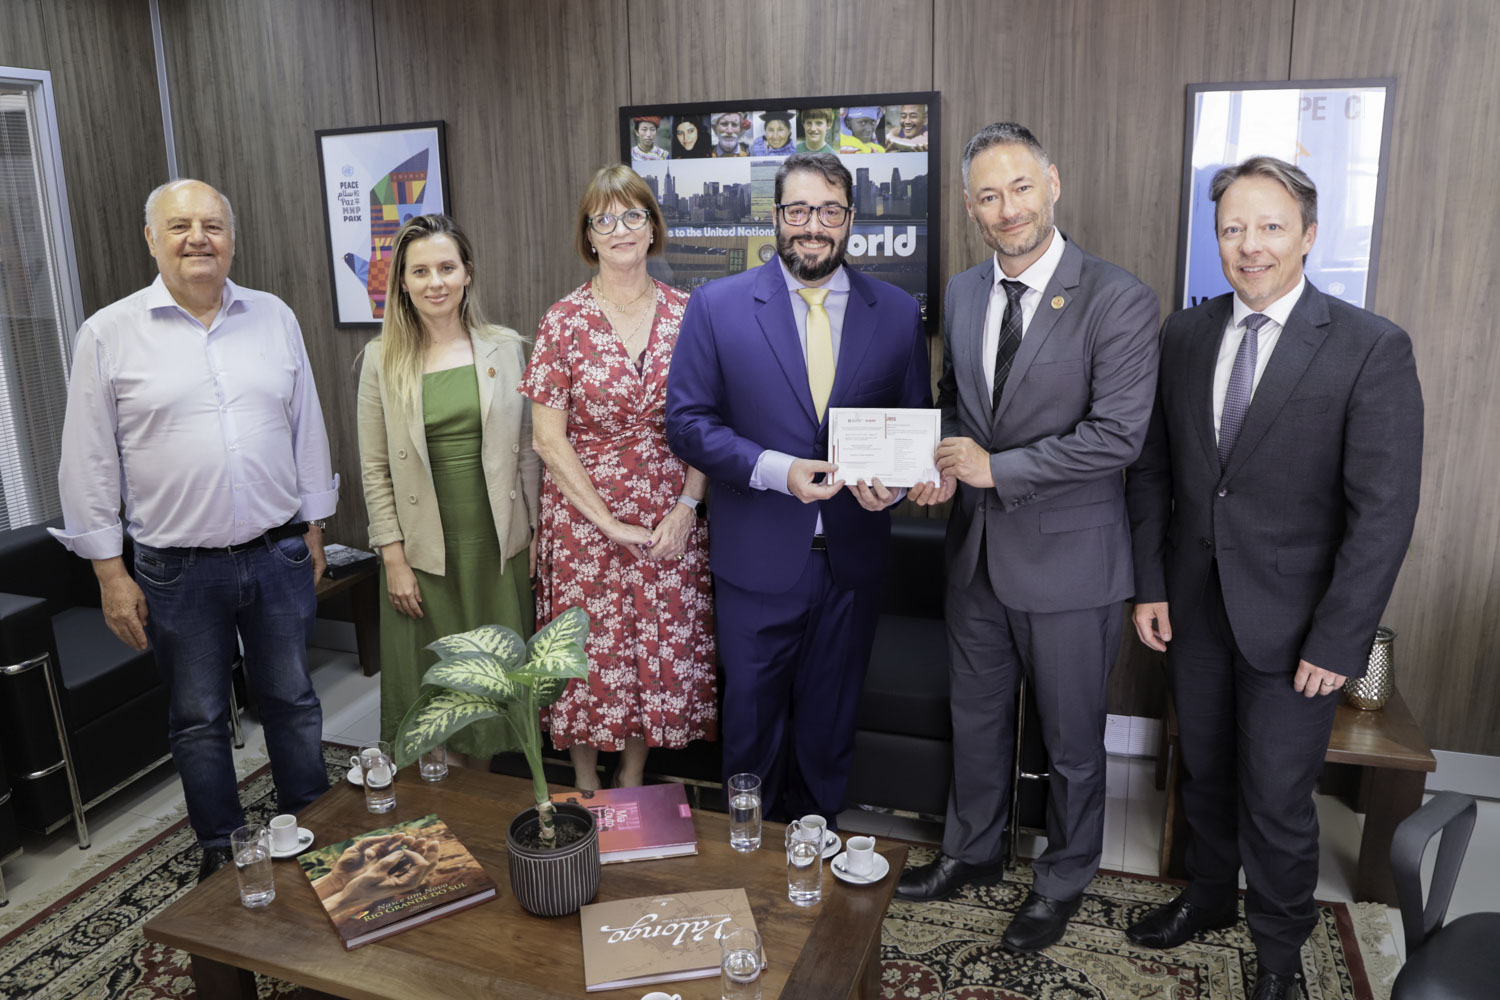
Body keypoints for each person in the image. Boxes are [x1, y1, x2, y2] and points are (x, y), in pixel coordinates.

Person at [1123, 156, 1422, 1000]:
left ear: (1308, 236)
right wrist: (1151, 584)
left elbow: (1383, 517)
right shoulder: (1183, 334)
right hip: (1194, 611)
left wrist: (1340, 639)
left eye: (1269, 227)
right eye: (1232, 228)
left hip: (1298, 630)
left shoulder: (1371, 347)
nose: (1249, 245)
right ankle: (1210, 899)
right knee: (1207, 773)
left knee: (1279, 797)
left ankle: (1281, 951)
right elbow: (1151, 475)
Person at [896, 123, 1160, 957]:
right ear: (971, 207)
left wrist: (993, 467)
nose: (1006, 209)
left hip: (1072, 563)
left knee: (1075, 740)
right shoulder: (965, 290)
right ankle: (971, 854)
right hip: (974, 556)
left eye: (1019, 188)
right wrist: (935, 461)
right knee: (975, 721)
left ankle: (1062, 879)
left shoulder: (1116, 297)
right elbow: (955, 404)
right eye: (987, 195)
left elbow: (1117, 436)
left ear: (1053, 182)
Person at [53, 178, 337, 881]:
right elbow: (86, 462)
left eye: (211, 224)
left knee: (294, 701)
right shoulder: (108, 334)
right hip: (175, 570)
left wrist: (315, 530)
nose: (197, 238)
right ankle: (223, 847)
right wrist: (108, 573)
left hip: (277, 552)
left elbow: (307, 429)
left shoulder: (274, 317)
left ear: (232, 237)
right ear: (151, 239)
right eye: (179, 226)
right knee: (199, 718)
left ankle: (315, 823)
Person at [665, 152, 931, 824]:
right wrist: (776, 471)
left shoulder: (896, 313)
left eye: (830, 211)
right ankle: (750, 857)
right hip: (756, 564)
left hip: (851, 565)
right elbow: (688, 425)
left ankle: (816, 854)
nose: (813, 226)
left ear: (851, 220)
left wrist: (893, 490)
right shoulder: (717, 307)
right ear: (776, 216)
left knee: (829, 727)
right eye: (798, 211)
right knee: (751, 727)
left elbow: (910, 426)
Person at [521, 164, 715, 791]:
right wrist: (605, 521)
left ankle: (632, 779)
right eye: (605, 218)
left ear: (652, 226)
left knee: (649, 651)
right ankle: (583, 784)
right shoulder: (562, 321)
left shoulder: (693, 314)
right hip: (583, 520)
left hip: (668, 514)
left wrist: (687, 505)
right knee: (588, 655)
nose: (621, 228)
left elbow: (707, 421)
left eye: (634, 214)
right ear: (589, 234)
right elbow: (547, 439)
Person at [357, 214, 539, 768]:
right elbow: (375, 467)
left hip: (497, 542)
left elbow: (530, 450)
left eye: (446, 267)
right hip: (423, 550)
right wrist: (392, 558)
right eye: (420, 271)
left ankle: (483, 793)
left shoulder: (506, 348)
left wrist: (535, 538)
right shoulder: (380, 359)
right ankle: (443, 795)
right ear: (403, 283)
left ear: (467, 274)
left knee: (492, 671)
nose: (435, 281)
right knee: (433, 677)